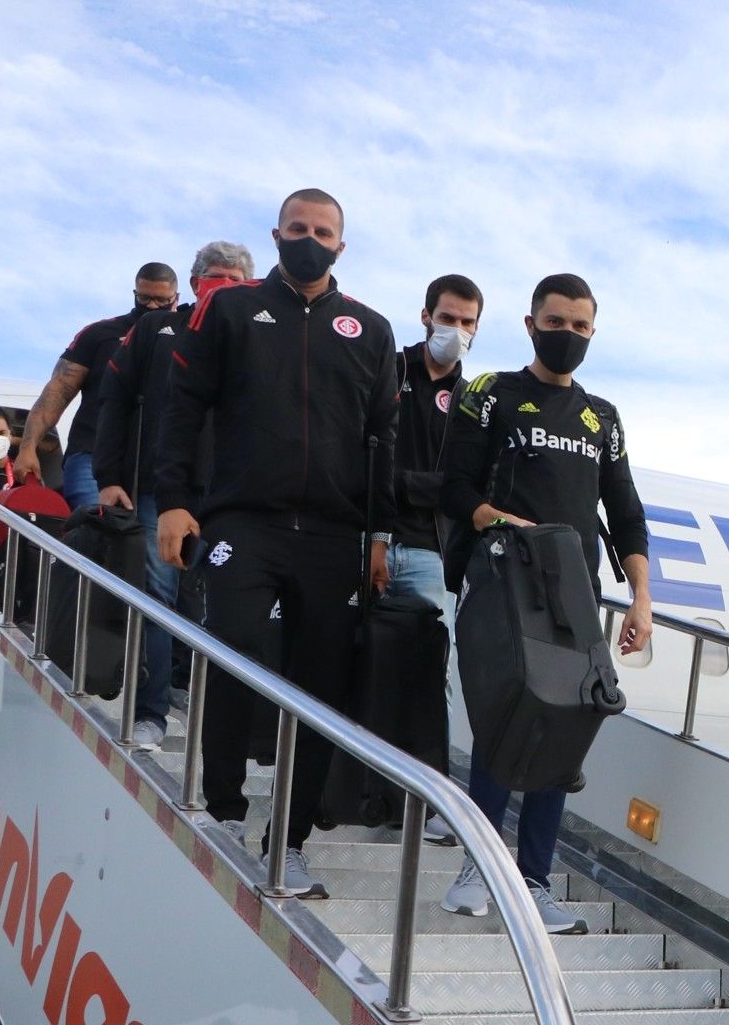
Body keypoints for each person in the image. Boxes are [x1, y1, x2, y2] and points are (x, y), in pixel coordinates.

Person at [154, 189, 398, 898]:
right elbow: (182, 407)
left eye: (323, 231)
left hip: (333, 534)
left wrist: (379, 534)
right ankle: (225, 812)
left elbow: (382, 440)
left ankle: (288, 843)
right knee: (234, 649)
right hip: (242, 521)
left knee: (321, 689)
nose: (310, 240)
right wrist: (174, 501)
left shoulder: (370, 329)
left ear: (341, 246)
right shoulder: (230, 310)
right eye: (298, 228)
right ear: (276, 234)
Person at [436, 273, 653, 934]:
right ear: (531, 325)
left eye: (580, 327)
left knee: (566, 729)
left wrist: (642, 598)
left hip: (575, 594)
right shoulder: (489, 393)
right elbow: (453, 488)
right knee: (505, 720)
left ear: (593, 332)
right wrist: (505, 522)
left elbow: (625, 511)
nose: (567, 335)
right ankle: (477, 868)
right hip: (505, 584)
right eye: (555, 323)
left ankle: (533, 881)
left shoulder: (602, 417)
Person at [94, 241, 255, 749]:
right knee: (157, 599)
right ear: (195, 282)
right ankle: (151, 712)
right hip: (161, 491)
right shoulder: (155, 329)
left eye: (234, 279)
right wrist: (108, 476)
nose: (222, 287)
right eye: (214, 277)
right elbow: (114, 399)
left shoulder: (262, 336)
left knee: (223, 605)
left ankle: (218, 717)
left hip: (233, 497)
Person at [388, 273, 484, 845]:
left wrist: (402, 484)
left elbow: (460, 487)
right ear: (426, 316)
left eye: (468, 322)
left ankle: (431, 803)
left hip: (429, 550)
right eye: (447, 318)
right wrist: (419, 485)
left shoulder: (472, 402)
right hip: (365, 539)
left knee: (430, 678)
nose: (456, 330)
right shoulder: (385, 368)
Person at [18, 263, 182, 509]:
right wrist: (27, 447)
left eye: (161, 300)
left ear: (176, 298)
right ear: (134, 293)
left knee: (154, 533)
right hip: (92, 453)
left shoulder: (189, 337)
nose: (151, 306)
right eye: (144, 298)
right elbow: (58, 391)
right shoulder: (100, 333)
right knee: (97, 526)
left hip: (156, 461)